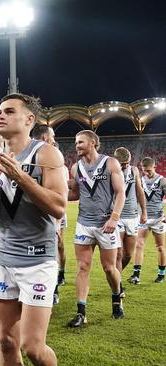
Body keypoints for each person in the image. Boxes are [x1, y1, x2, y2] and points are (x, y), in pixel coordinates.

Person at [0, 93, 67, 366]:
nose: (1, 115)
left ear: (29, 120)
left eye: (9, 111)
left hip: (37, 259)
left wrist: (20, 176)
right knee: (6, 342)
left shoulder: (46, 153)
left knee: (33, 348)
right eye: (0, 111)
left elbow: (59, 207)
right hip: (4, 259)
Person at [67, 130, 125, 328]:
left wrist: (114, 218)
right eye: (76, 142)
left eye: (80, 142)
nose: (77, 145)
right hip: (84, 224)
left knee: (110, 269)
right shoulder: (76, 167)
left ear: (92, 142)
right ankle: (81, 312)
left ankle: (117, 295)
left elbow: (120, 193)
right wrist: (52, 192)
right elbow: (74, 194)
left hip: (105, 225)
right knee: (82, 267)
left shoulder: (110, 163)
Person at [30, 124, 68, 304]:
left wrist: (58, 224)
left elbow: (61, 198)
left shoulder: (55, 159)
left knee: (55, 248)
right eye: (52, 136)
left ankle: (53, 287)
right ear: (45, 137)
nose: (54, 139)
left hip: (54, 215)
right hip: (30, 217)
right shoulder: (25, 156)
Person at [112, 148, 147, 288]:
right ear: (116, 161)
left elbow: (140, 192)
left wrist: (144, 212)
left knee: (128, 255)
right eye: (122, 163)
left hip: (133, 217)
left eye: (127, 163)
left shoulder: (134, 171)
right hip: (117, 215)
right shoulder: (110, 171)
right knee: (119, 253)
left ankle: (115, 275)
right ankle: (118, 286)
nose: (125, 166)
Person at [130, 157, 166, 284]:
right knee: (139, 245)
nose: (147, 173)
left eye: (149, 171)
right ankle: (136, 274)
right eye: (145, 171)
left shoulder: (162, 181)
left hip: (158, 219)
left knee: (160, 247)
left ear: (155, 167)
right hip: (143, 218)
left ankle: (161, 274)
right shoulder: (141, 180)